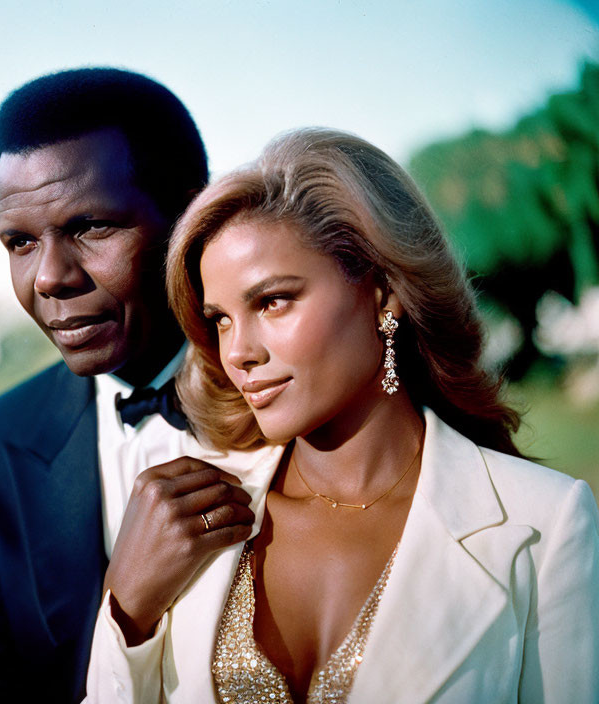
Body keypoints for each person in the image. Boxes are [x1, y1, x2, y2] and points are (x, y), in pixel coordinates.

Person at [86, 128, 599, 703]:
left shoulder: (545, 527)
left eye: (272, 300)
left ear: (383, 291)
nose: (237, 352)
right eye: (221, 319)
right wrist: (126, 610)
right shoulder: (189, 516)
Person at [0, 67, 263, 703]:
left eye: (92, 227)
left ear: (190, 213)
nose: (50, 277)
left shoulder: (299, 400)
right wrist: (125, 608)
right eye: (21, 242)